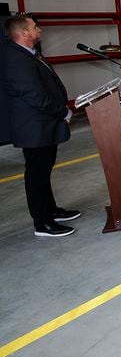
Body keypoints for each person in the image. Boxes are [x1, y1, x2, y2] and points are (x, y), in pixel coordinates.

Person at [2, 15, 81, 237]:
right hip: (34, 127)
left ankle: (51, 210)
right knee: (36, 175)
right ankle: (42, 222)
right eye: (35, 27)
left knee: (44, 171)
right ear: (24, 33)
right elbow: (34, 95)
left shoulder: (28, 54)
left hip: (43, 125)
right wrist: (63, 111)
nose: (40, 30)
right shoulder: (16, 58)